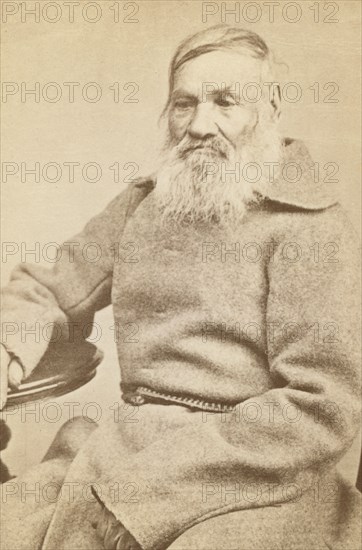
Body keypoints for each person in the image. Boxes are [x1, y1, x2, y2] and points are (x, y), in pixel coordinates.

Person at [1, 25, 361, 550]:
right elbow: (48, 287)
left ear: (271, 107)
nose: (199, 125)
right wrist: (8, 345)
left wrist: (152, 495)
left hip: (256, 478)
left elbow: (321, 406)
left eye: (225, 103)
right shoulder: (143, 207)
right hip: (127, 451)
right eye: (184, 103)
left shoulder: (310, 225)